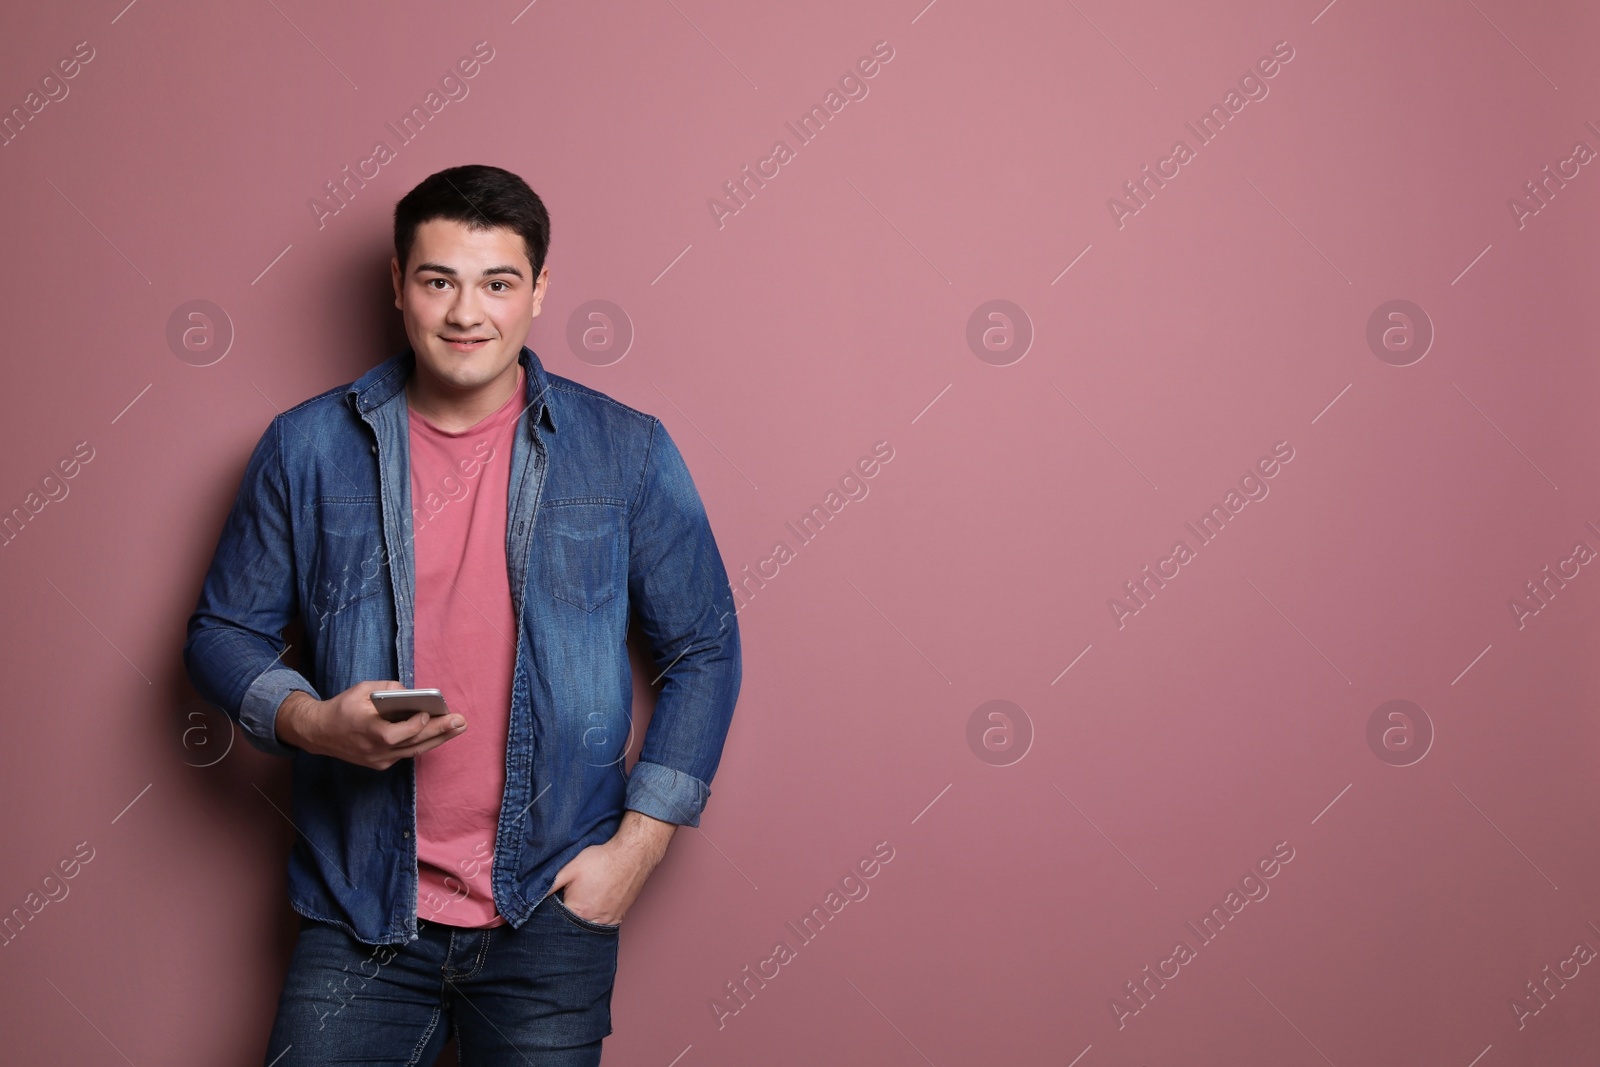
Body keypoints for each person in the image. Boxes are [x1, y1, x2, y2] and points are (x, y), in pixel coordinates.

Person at [183, 164, 742, 1066]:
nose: (465, 313)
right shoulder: (307, 446)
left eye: (497, 282)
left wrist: (635, 852)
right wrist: (314, 722)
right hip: (359, 901)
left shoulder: (626, 451)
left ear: (540, 290)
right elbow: (221, 633)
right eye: (439, 279)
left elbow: (706, 648)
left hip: (551, 908)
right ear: (397, 285)